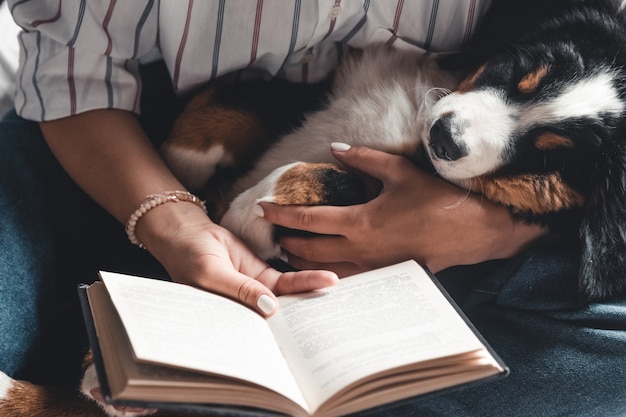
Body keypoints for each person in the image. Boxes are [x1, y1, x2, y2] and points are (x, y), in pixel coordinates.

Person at [2, 1, 625, 416]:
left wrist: (494, 229)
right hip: (125, 142)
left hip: (472, 198)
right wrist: (170, 220)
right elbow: (72, 77)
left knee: (611, 359)